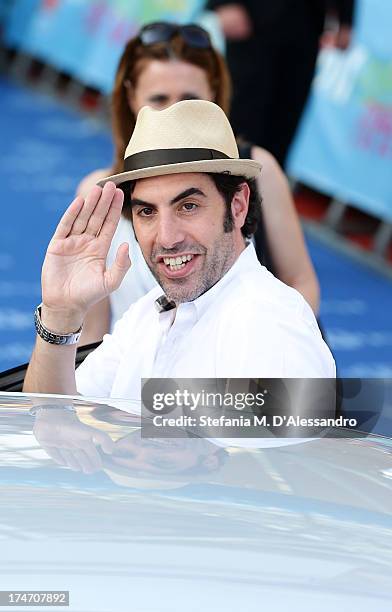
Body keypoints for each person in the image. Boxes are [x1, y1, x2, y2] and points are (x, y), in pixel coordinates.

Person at [23, 99, 335, 400]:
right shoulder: (147, 314)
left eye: (188, 206)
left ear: (238, 206)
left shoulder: (270, 326)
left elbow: (272, 456)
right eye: (147, 212)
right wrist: (60, 315)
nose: (167, 238)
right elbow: (51, 425)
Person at [76, 22, 320, 345]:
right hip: (135, 387)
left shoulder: (259, 170)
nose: (176, 113)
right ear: (131, 96)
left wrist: (270, 347)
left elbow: (301, 281)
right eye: (159, 99)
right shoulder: (98, 193)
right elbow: (91, 335)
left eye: (190, 99)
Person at [206, 0, 355, 166]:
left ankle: (264, 187)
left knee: (283, 125)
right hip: (251, 21)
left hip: (306, 27)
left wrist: (346, 18)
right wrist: (223, 3)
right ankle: (216, 178)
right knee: (239, 116)